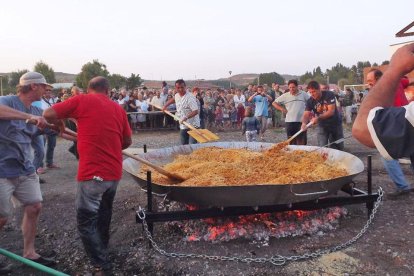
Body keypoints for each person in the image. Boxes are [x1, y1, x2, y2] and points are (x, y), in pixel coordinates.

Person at [43, 76, 132, 274]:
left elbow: (48, 113)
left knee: (85, 221)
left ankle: (102, 265)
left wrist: (60, 125)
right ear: (108, 91)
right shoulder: (118, 109)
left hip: (92, 173)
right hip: (114, 173)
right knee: (104, 214)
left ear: (88, 88)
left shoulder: (81, 100)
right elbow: (127, 141)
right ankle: (103, 250)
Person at [0, 72, 56, 270]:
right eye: (44, 87)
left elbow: (50, 130)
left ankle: (29, 252)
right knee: (2, 216)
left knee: (34, 206)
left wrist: (80, 135)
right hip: (2, 171)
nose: (46, 90)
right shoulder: (7, 101)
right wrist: (28, 117)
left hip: (25, 169)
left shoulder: (35, 109)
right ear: (33, 86)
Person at [361, 68, 412, 199]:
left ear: (378, 79)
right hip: (408, 123)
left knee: (387, 157)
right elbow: (407, 80)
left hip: (394, 125)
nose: (368, 84)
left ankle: (402, 186)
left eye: (370, 81)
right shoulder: (398, 81)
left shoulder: (380, 91)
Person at [301, 81, 344, 150]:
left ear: (319, 89)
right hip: (322, 125)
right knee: (322, 147)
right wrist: (303, 123)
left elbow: (331, 111)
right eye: (310, 92)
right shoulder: (310, 101)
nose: (312, 94)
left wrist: (318, 118)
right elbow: (306, 114)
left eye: (314, 91)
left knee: (337, 146)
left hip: (335, 124)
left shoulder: (329, 94)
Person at [163, 79, 200, 145]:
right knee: (183, 145)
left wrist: (186, 117)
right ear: (175, 88)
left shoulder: (190, 97)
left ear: (185, 87)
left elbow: (195, 111)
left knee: (192, 145)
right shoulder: (177, 95)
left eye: (182, 87)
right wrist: (165, 105)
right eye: (178, 88)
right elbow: (174, 99)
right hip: (183, 125)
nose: (180, 89)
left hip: (193, 125)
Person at [272, 80, 309, 145]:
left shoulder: (303, 94)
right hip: (290, 122)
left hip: (301, 122)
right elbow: (274, 103)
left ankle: (302, 153)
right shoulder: (285, 95)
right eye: (290, 87)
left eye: (293, 87)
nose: (291, 89)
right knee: (291, 141)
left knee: (302, 142)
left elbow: (311, 102)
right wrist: (282, 109)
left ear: (297, 87)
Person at [40, 87, 60, 169]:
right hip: (42, 124)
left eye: (49, 90)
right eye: (46, 90)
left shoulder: (53, 100)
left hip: (51, 124)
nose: (48, 91)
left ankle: (49, 163)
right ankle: (39, 166)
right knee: (40, 146)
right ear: (43, 92)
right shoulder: (39, 100)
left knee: (52, 144)